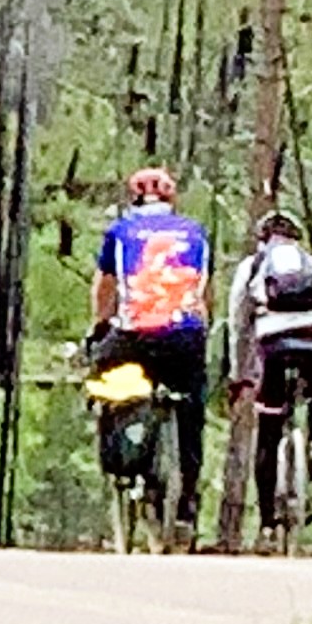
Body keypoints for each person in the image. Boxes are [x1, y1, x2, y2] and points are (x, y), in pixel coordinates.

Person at [89, 164, 213, 539]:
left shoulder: (120, 231)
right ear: (172, 199)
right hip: (185, 335)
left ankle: (123, 459)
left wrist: (97, 327)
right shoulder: (196, 233)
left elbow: (105, 288)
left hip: (135, 335)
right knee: (192, 406)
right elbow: (204, 294)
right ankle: (186, 505)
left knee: (105, 381)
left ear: (134, 198)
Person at [226, 206, 312, 540]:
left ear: (263, 238)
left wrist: (239, 375)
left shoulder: (253, 266)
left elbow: (238, 321)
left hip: (273, 343)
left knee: (269, 426)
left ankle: (266, 523)